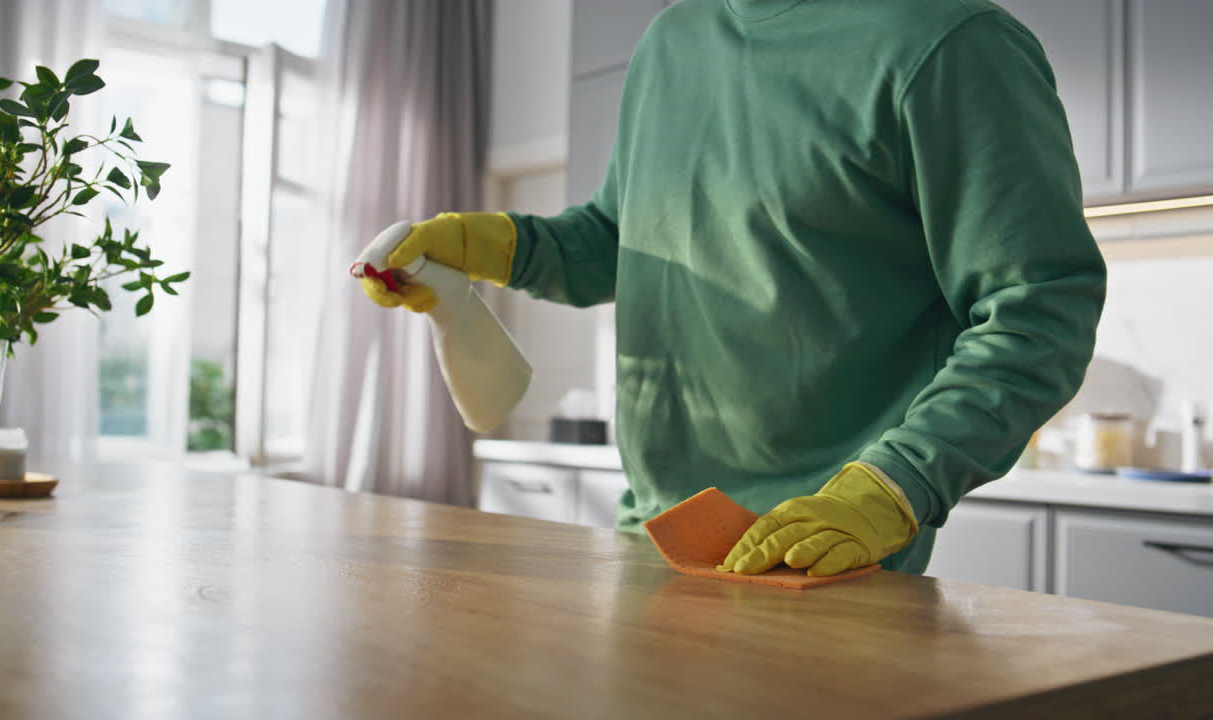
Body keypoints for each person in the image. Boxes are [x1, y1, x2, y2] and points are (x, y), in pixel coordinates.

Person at [357, 0, 1106, 577]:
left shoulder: (949, 44)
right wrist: (486, 245)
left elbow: (1038, 311)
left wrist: (895, 486)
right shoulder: (671, 40)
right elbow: (619, 241)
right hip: (652, 538)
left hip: (824, 559)